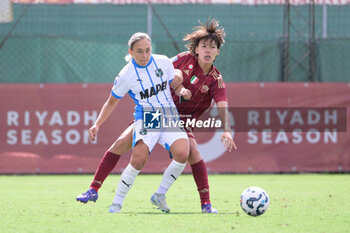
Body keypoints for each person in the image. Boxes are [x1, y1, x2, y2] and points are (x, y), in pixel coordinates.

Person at [76, 19, 236, 213]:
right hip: (153, 113)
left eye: (212, 47)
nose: (208, 51)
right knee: (123, 146)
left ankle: (202, 203)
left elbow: (222, 105)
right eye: (204, 46)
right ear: (196, 49)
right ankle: (96, 190)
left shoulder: (216, 80)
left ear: (218, 51)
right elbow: (167, 71)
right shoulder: (182, 59)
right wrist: (178, 81)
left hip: (180, 118)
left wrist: (226, 130)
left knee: (190, 153)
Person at [85, 32, 192, 213]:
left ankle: (159, 195)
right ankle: (117, 203)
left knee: (183, 153)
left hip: (169, 115)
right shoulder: (126, 74)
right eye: (140, 51)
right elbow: (111, 102)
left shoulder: (163, 61)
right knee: (139, 158)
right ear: (131, 52)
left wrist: (182, 89)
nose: (144, 56)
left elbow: (175, 80)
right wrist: (97, 124)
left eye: (148, 50)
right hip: (149, 116)